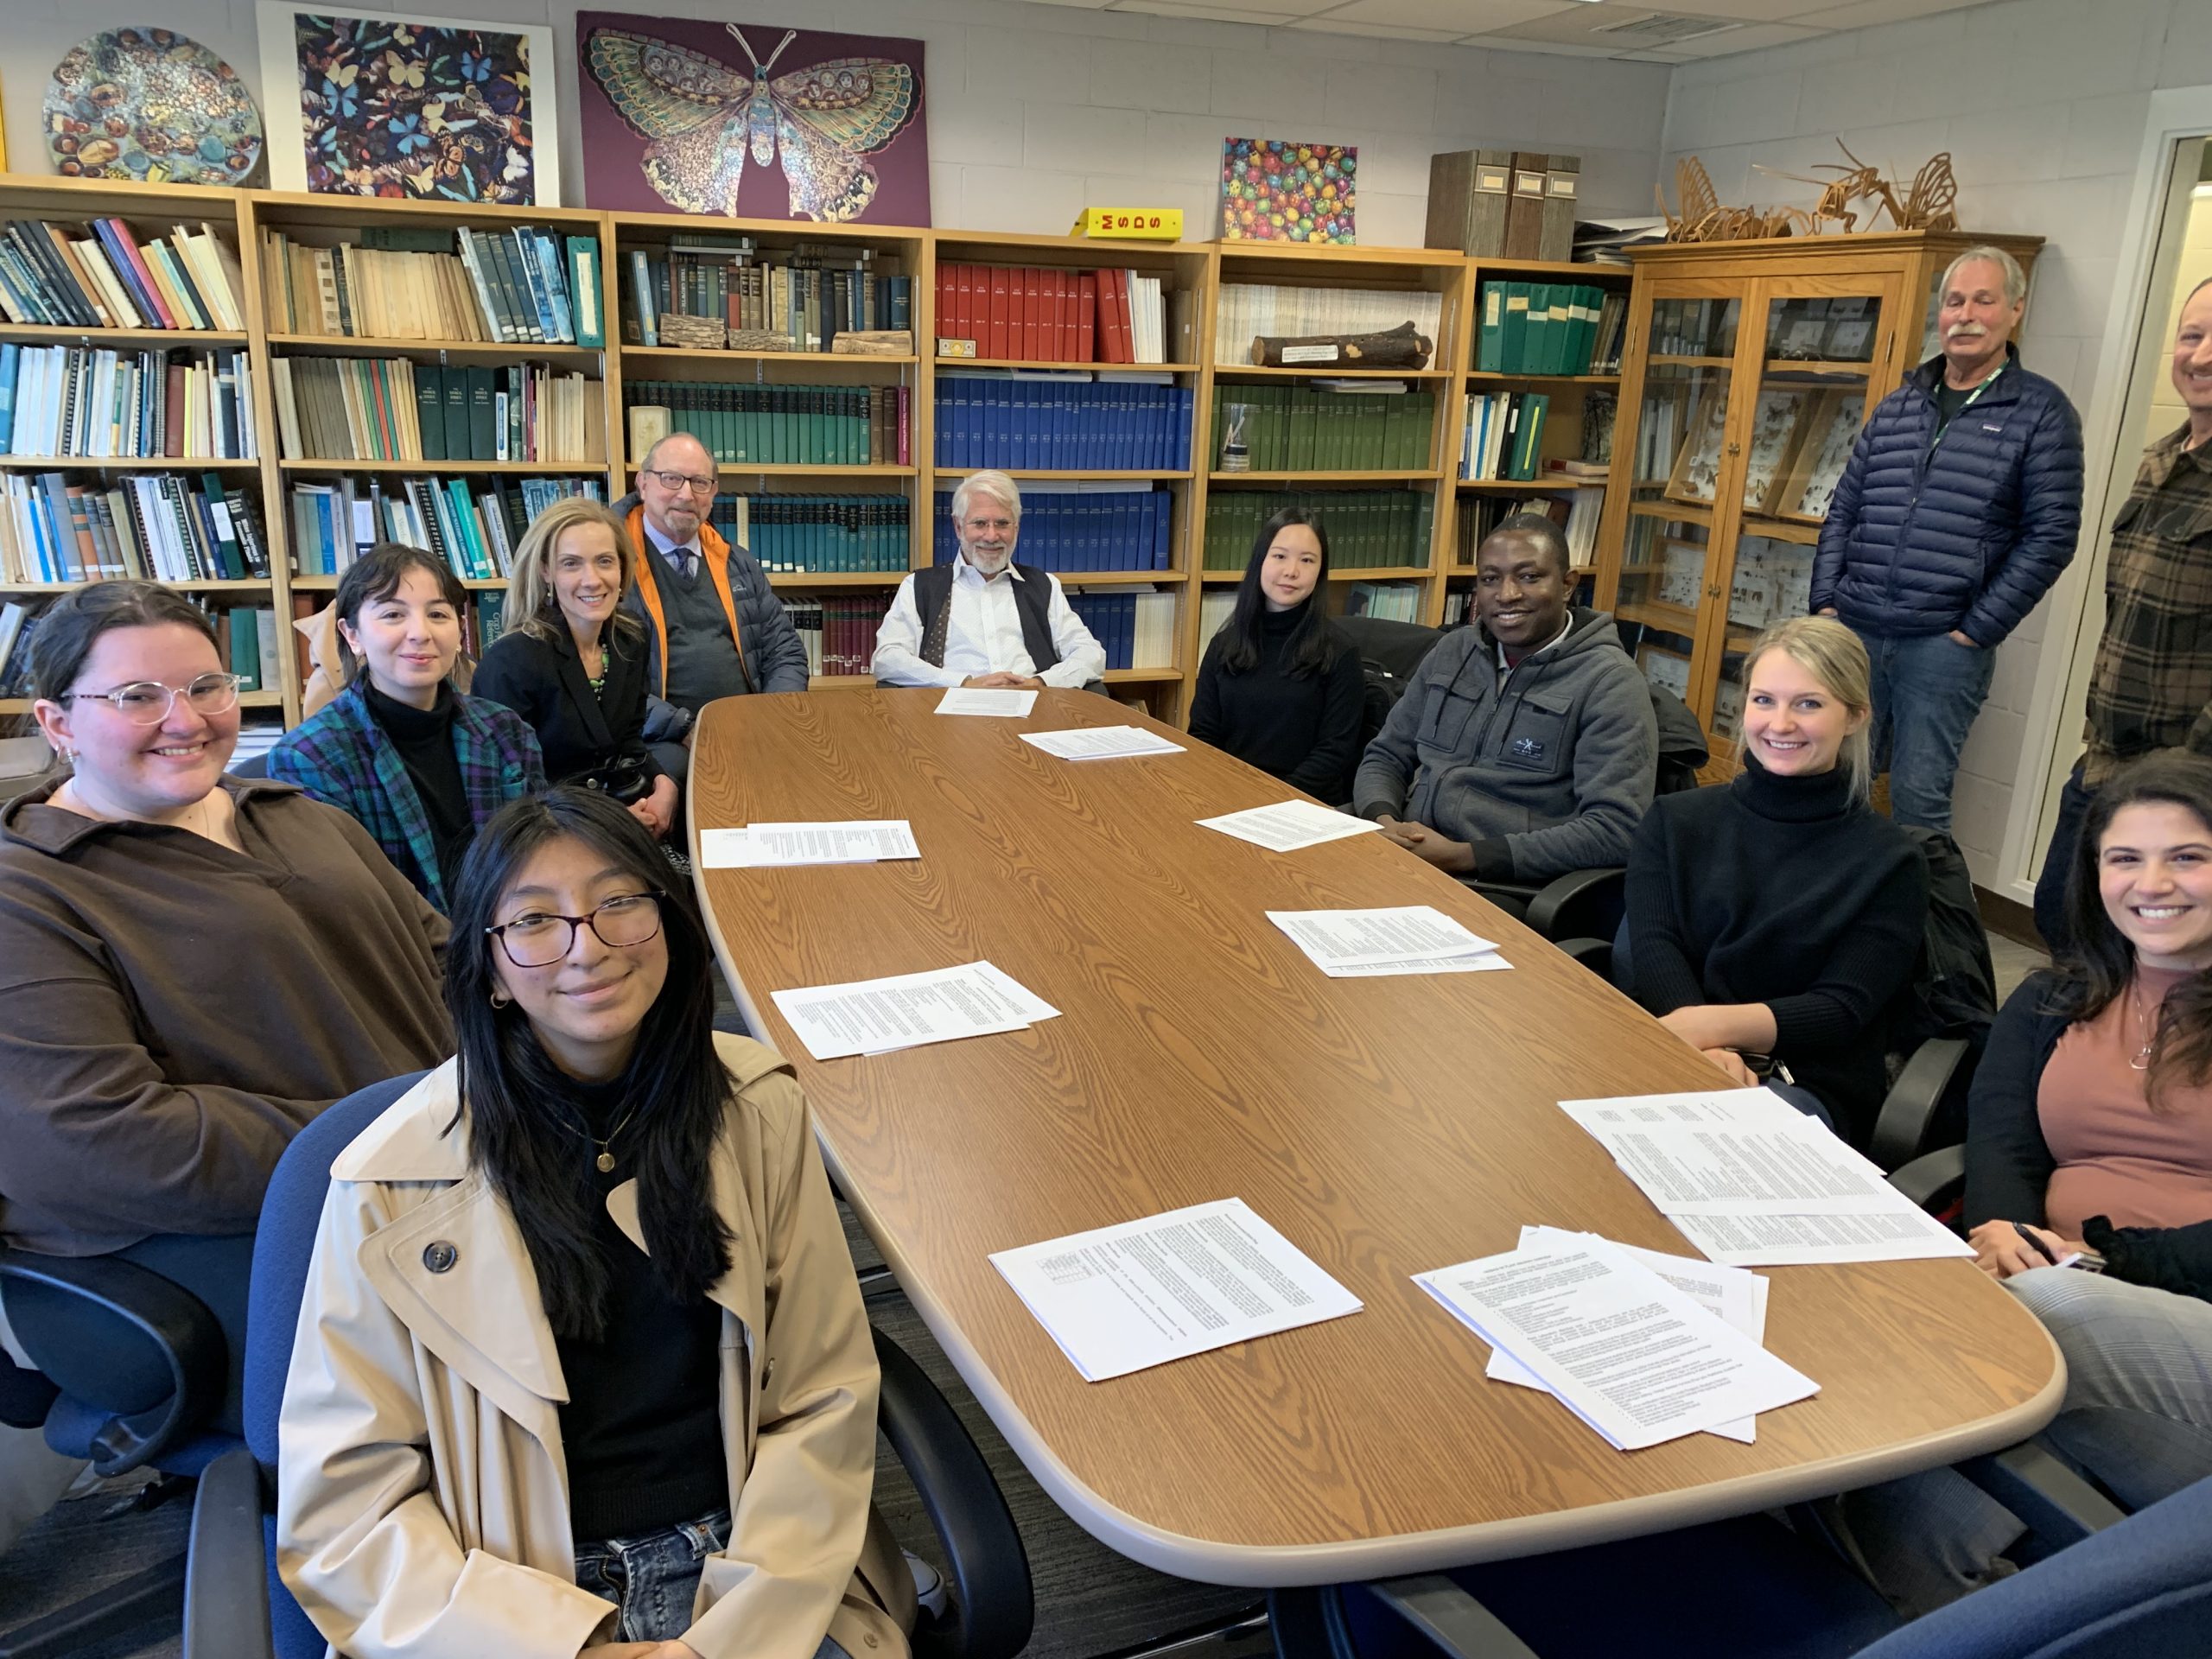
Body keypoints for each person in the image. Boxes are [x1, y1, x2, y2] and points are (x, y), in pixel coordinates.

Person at [277, 787, 916, 1659]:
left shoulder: (754, 1106)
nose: (588, 946)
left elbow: (822, 1394)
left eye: (619, 901)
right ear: (490, 971)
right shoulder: (390, 1175)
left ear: (668, 923)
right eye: (536, 921)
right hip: (507, 1598)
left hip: (744, 1569)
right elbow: (346, 1508)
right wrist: (566, 1647)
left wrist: (725, 1639)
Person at [0, 581, 449, 1554]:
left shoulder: (294, 814)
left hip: (426, 1182)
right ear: (56, 723)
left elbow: (442, 956)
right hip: (220, 1251)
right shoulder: (29, 891)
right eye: (135, 698)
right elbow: (96, 1145)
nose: (184, 720)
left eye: (205, 685)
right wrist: (417, 1140)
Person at [1840, 752, 2212, 1614]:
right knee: (1875, 1309)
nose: (2150, 882)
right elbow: (2001, 1138)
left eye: (2186, 857)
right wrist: (2000, 1231)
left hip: (2150, 1304)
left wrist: (2103, 1262)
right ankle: (1953, 1592)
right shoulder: (2053, 997)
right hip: (2048, 1279)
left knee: (2037, 1315)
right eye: (2123, 858)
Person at [1622, 616, 1928, 1144]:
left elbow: (1840, 1008)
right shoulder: (1674, 822)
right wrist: (1709, 1053)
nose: (1779, 724)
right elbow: (1655, 948)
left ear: (1854, 715)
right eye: (1764, 700)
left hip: (1802, 1079)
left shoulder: (1891, 860)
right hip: (1675, 1042)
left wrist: (1708, 1031)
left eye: (1808, 704)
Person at [1811, 245, 2084, 834]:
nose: (1965, 315)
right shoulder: (1899, 406)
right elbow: (1844, 510)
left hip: (1941, 646)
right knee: (1831, 786)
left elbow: (2053, 534)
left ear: (2015, 309)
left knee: (1918, 802)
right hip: (1855, 632)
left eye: (1983, 301)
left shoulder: (2041, 412)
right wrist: (1826, 604)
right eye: (1954, 301)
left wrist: (1977, 628)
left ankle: (1922, 927)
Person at [2035, 277, 2212, 949]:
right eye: (2192, 335)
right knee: (2063, 917)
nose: (2202, 354)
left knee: (2148, 953)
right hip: (2107, 757)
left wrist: (2193, 769)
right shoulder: (2161, 462)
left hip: (2185, 775)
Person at [1351, 514, 1656, 898]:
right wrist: (1382, 818)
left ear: (1567, 585)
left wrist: (1463, 856)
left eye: (1528, 577)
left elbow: (1616, 829)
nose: (1506, 594)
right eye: (1490, 579)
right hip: (1406, 850)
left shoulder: (1609, 682)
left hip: (1500, 884)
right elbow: (1386, 754)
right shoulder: (1453, 651)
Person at [269, 543, 545, 912]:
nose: (420, 632)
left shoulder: (507, 731)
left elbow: (538, 860)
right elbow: (344, 905)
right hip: (400, 957)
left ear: (460, 629)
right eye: (393, 615)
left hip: (512, 943)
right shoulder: (309, 757)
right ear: (352, 635)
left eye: (437, 614)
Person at [474, 497, 681, 842]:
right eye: (571, 564)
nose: (592, 580)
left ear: (622, 567)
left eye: (604, 561)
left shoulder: (630, 638)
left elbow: (628, 742)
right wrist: (607, 823)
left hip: (621, 811)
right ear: (546, 571)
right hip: (547, 840)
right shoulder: (509, 663)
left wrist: (663, 785)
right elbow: (509, 803)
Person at [619, 433, 810, 776]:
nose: (686, 494)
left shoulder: (737, 563)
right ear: (643, 484)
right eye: (672, 478)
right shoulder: (610, 570)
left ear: (714, 493)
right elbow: (608, 685)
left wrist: (774, 715)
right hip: (657, 740)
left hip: (750, 730)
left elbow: (787, 653)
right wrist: (689, 728)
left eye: (700, 482)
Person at [870, 470, 1107, 690]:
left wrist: (1040, 682)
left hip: (1034, 711)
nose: (991, 536)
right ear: (958, 526)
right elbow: (888, 658)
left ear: (1016, 527)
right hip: (947, 716)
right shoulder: (919, 587)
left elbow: (1090, 653)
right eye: (980, 523)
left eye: (1002, 524)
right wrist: (963, 683)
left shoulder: (1044, 586)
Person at [1188, 507, 1363, 799]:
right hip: (1225, 795)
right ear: (1260, 561)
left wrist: (1271, 799)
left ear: (1320, 571)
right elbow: (1203, 737)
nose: (1291, 571)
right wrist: (1220, 792)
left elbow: (1333, 753)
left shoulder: (1340, 653)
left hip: (1303, 803)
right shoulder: (1224, 645)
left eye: (1307, 560)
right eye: (1280, 556)